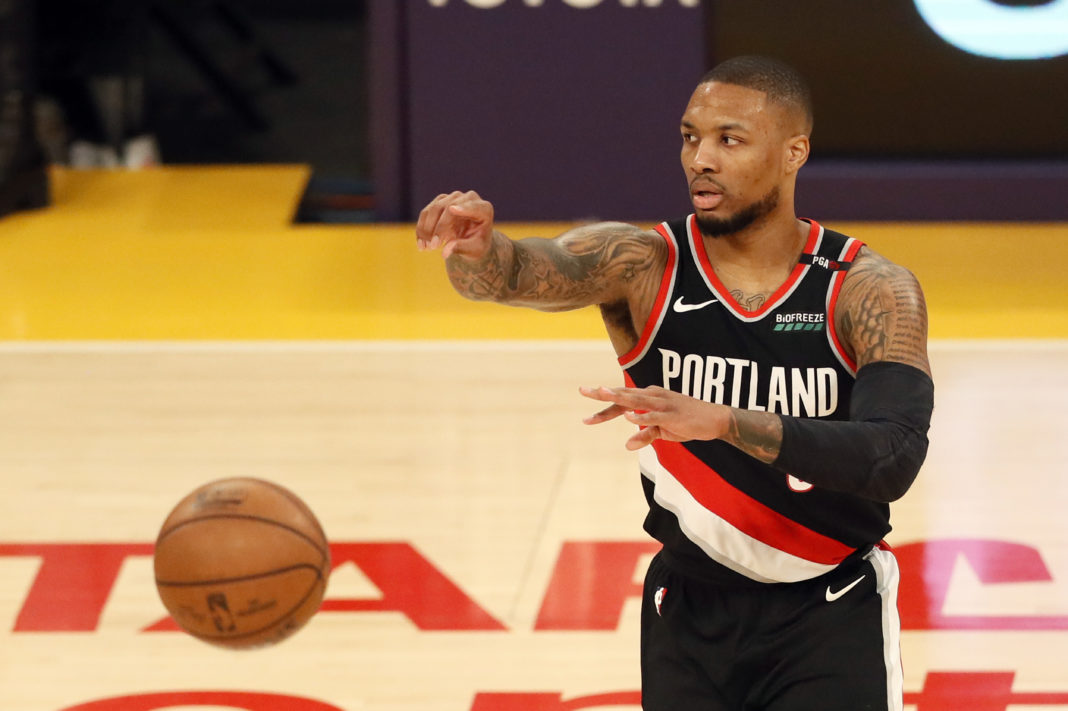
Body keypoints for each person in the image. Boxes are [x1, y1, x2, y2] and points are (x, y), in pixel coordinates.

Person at [416, 55, 933, 711]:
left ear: (793, 152)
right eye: (691, 137)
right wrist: (476, 250)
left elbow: (893, 456)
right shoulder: (642, 264)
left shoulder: (868, 289)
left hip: (829, 608)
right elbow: (516, 272)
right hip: (687, 610)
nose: (700, 159)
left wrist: (723, 421)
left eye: (729, 139)